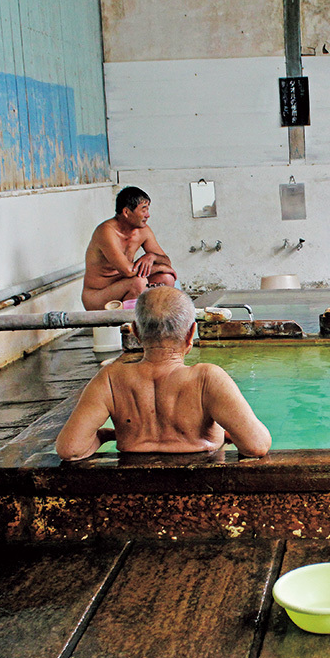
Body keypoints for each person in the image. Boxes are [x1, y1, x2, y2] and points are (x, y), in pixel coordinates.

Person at [56, 287, 271, 460]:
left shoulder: (111, 379)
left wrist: (104, 435)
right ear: (191, 333)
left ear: (136, 332)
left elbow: (70, 450)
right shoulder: (207, 379)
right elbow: (257, 446)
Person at [81, 186, 178, 310]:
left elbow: (166, 261)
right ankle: (130, 326)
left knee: (166, 278)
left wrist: (152, 256)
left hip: (126, 286)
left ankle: (155, 322)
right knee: (139, 282)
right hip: (98, 296)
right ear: (126, 212)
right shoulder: (106, 231)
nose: (147, 215)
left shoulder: (143, 231)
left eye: (148, 210)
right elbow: (128, 271)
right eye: (143, 210)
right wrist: (159, 266)